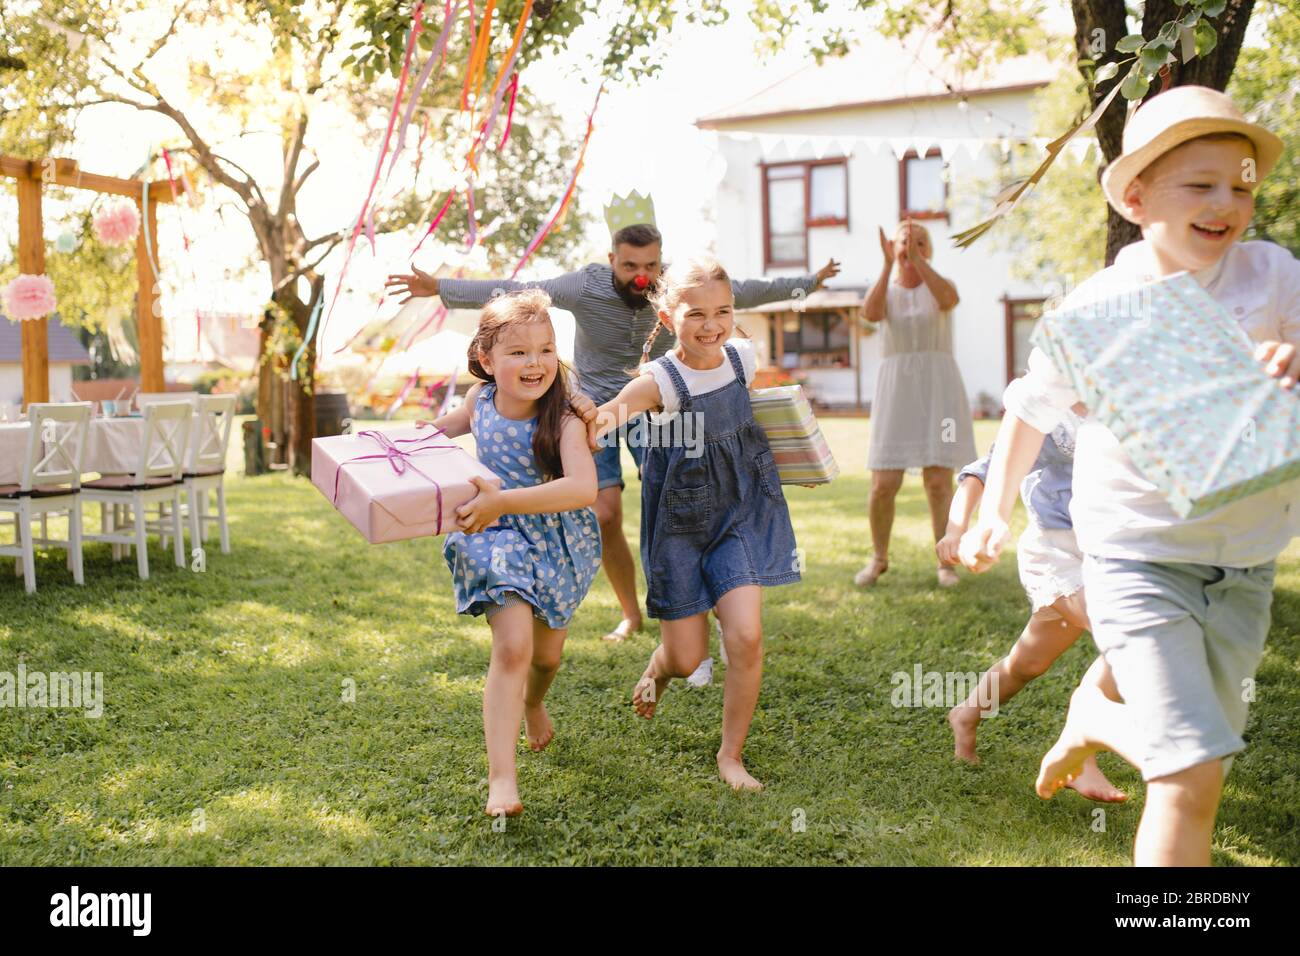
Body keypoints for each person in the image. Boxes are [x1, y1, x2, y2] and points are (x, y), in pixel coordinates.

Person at [960, 86, 1299, 866]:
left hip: (1245, 561)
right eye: (1202, 184)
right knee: (1190, 772)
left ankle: (1092, 717)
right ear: (1138, 196)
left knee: (1205, 742)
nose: (1227, 203)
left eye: (1243, 185)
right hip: (1136, 557)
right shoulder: (1102, 306)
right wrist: (992, 512)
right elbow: (1030, 410)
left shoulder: (1272, 277)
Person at [388, 199, 838, 657]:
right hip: (588, 413)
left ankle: (712, 600)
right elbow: (518, 288)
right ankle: (630, 611)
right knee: (603, 512)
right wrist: (439, 287)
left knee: (682, 496)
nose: (640, 275)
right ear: (612, 261)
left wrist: (810, 283)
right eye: (629, 266)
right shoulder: (585, 285)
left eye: (649, 265)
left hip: (656, 410)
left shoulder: (680, 291)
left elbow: (751, 291)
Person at [585, 255, 806, 791]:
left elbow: (759, 423)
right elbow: (606, 418)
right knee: (686, 659)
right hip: (680, 528)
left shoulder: (741, 361)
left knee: (747, 637)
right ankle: (660, 669)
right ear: (667, 317)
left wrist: (804, 462)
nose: (712, 325)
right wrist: (579, 422)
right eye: (697, 315)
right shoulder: (659, 381)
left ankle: (730, 755)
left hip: (742, 516)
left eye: (723, 312)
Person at [423, 289, 601, 819]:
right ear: (486, 359)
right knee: (513, 648)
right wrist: (377, 448)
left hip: (556, 541)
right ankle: (502, 780)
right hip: (494, 539)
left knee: (545, 658)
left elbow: (583, 489)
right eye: (519, 352)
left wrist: (503, 501)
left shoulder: (565, 418)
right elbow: (428, 437)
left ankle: (534, 701)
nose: (535, 363)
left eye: (546, 349)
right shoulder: (479, 403)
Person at [938, 415, 1126, 802]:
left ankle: (966, 714)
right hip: (1055, 552)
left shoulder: (1125, 399)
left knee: (1027, 664)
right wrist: (956, 530)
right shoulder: (1050, 413)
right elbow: (982, 472)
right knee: (1127, 632)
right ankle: (1081, 752)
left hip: (1107, 552)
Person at [856, 220, 977, 589]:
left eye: (921, 242)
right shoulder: (885, 288)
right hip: (897, 391)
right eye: (905, 243)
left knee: (939, 481)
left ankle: (946, 562)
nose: (913, 248)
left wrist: (916, 259)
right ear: (892, 248)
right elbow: (870, 314)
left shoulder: (942, 286)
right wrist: (888, 263)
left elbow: (948, 300)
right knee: (883, 483)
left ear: (930, 250)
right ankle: (879, 558)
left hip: (938, 388)